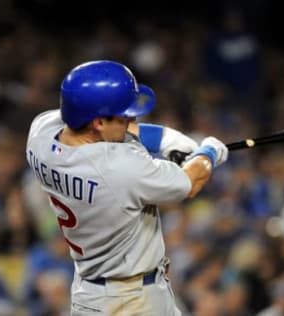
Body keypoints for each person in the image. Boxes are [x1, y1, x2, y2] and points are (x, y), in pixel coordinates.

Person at [25, 60, 228, 315]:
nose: (131, 118)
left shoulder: (40, 135)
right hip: (129, 301)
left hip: (92, 291)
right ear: (98, 122)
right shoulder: (119, 169)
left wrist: (166, 141)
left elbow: (118, 129)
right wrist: (209, 151)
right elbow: (191, 181)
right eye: (124, 115)